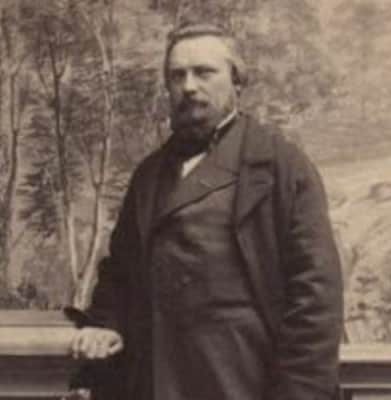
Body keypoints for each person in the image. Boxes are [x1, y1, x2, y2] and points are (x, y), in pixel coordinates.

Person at [71, 23, 343, 400]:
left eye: (204, 72)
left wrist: (297, 393)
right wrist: (106, 323)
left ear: (236, 80)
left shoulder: (281, 166)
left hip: (244, 379)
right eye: (177, 75)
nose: (189, 86)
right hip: (157, 380)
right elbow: (121, 270)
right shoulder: (150, 173)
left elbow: (315, 296)